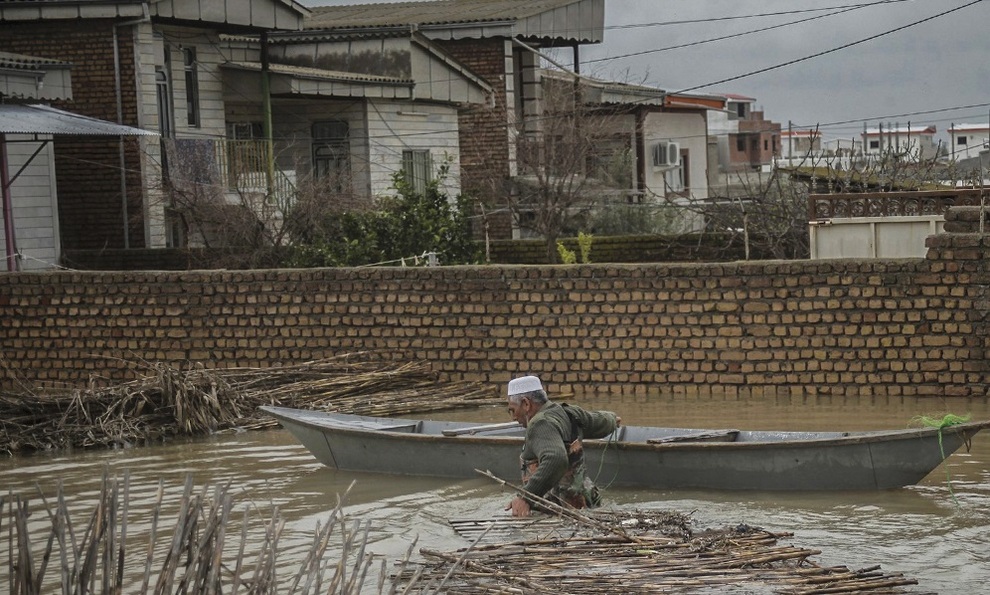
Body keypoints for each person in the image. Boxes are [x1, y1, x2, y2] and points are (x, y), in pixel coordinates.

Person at [504, 375, 621, 517]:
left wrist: (525, 497)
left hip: (558, 512)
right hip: (588, 504)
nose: (513, 417)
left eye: (512, 410)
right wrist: (613, 420)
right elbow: (598, 422)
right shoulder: (568, 412)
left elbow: (556, 458)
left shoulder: (539, 424)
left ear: (526, 404)